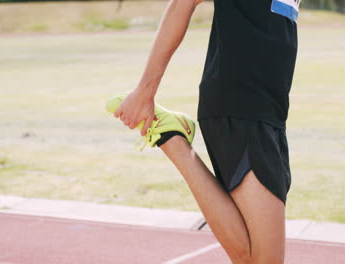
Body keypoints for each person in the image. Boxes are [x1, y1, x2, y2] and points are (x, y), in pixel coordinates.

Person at [112, 0, 299, 263]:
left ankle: (172, 137)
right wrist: (145, 91)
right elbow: (181, 4)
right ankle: (173, 141)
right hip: (242, 100)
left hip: (270, 110)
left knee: (251, 258)